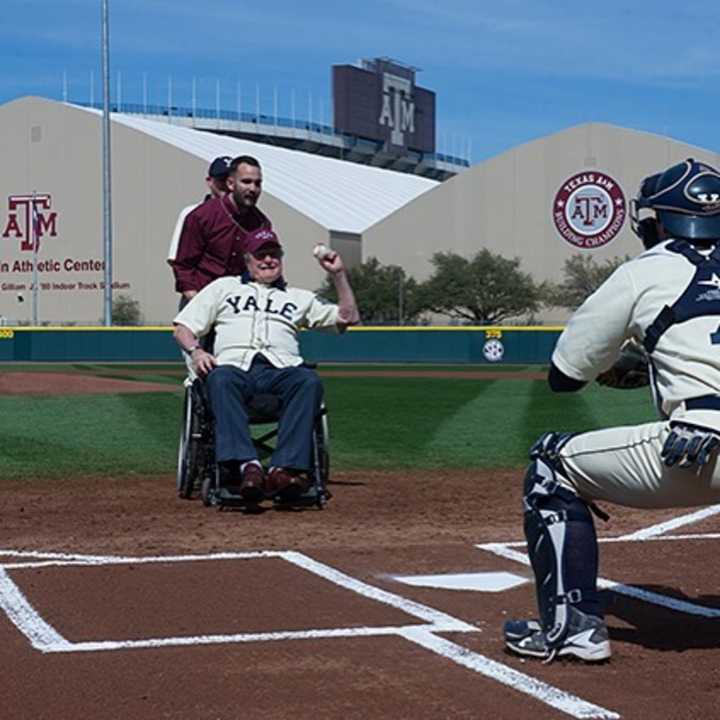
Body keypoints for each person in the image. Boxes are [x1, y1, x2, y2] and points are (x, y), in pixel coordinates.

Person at [504, 158, 720, 664]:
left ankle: (571, 628)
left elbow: (565, 375)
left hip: (703, 444)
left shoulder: (646, 269)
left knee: (549, 463)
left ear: (660, 220)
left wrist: (638, 359)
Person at [173, 227, 359, 503]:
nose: (269, 260)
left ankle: (282, 470)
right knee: (220, 379)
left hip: (281, 372)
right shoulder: (224, 288)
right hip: (234, 370)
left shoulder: (299, 297)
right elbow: (183, 328)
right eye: (262, 255)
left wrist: (338, 274)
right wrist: (197, 352)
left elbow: (348, 317)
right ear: (248, 260)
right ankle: (249, 467)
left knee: (308, 381)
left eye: (274, 254)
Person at [169, 155, 271, 306]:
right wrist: (196, 301)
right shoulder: (201, 215)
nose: (252, 188)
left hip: (237, 305)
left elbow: (262, 267)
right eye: (246, 182)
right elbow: (183, 265)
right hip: (199, 300)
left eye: (257, 183)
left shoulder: (261, 223)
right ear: (231, 183)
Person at [167, 155, 234, 273]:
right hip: (204, 287)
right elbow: (177, 260)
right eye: (222, 180)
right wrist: (191, 289)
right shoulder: (192, 213)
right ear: (209, 181)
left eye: (231, 181)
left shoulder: (250, 217)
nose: (227, 186)